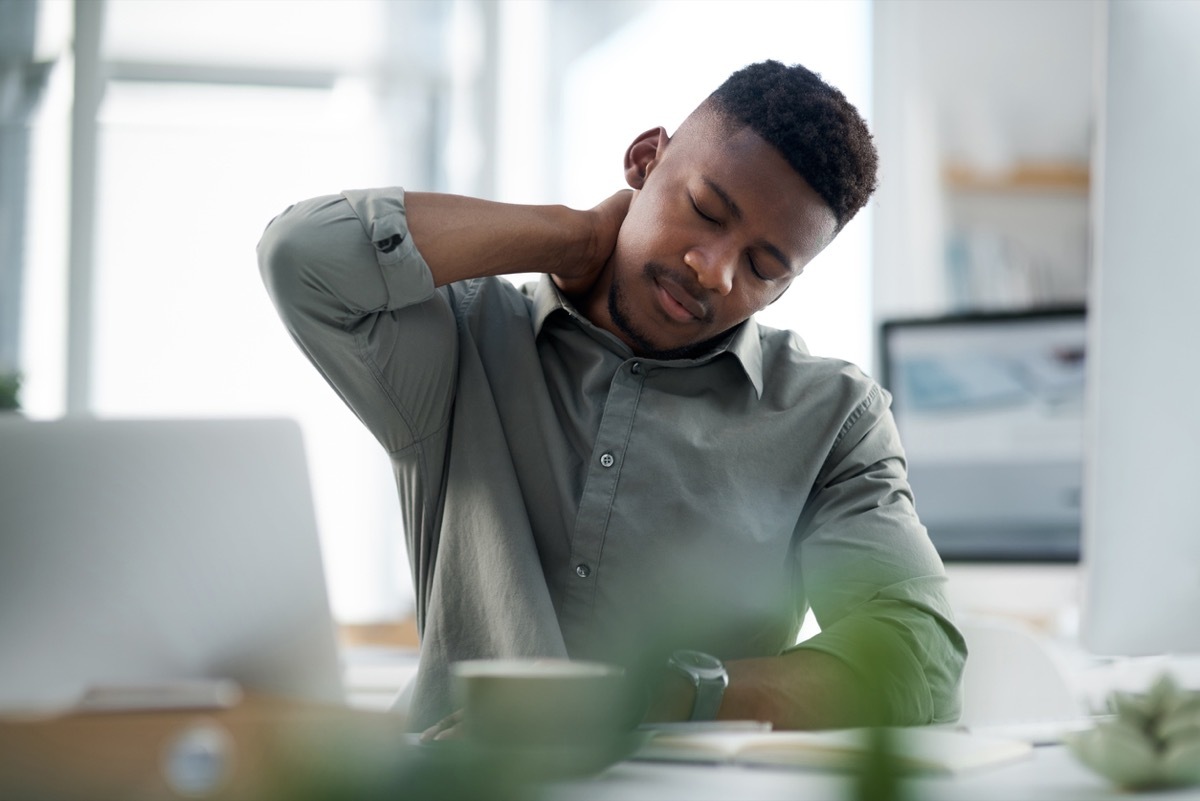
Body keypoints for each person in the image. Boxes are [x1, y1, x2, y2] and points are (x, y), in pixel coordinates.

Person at [257, 60, 965, 734]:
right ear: (644, 160)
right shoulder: (463, 337)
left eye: (762, 267)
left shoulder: (835, 417)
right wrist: (575, 235)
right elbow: (303, 256)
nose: (713, 273)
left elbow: (917, 656)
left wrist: (645, 698)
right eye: (705, 210)